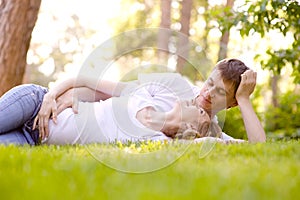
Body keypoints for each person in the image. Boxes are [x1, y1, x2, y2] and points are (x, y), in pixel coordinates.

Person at [0, 72, 216, 145]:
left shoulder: (157, 140)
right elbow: (82, 79)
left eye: (199, 112)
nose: (194, 101)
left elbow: (211, 142)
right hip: (35, 103)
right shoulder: (139, 93)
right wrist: (49, 96)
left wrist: (242, 99)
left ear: (191, 129)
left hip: (32, 139)